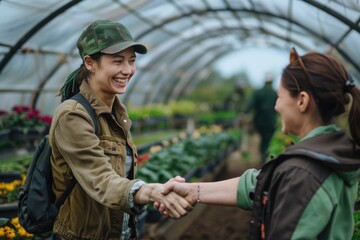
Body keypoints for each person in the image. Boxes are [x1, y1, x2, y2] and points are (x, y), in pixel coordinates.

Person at [159, 48, 360, 240]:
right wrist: (195, 191)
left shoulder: (304, 173)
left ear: (302, 101)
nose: (276, 106)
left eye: (280, 97)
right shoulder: (335, 152)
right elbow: (263, 184)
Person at [48, 19, 191, 240]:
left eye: (131, 61)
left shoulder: (116, 112)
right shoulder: (73, 115)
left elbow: (120, 176)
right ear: (89, 62)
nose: (128, 70)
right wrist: (150, 191)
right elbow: (100, 178)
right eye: (117, 61)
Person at [243, 73, 278, 163]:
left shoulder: (258, 92)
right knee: (268, 139)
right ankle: (266, 156)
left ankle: (263, 155)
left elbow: (251, 104)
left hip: (259, 121)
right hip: (271, 121)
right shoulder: (274, 93)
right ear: (272, 82)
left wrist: (244, 112)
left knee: (263, 138)